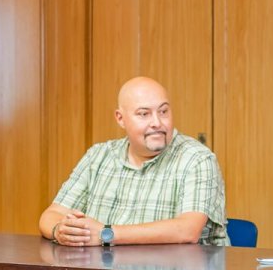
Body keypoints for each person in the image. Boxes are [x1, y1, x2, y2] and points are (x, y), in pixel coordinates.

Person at [38, 76, 228, 247]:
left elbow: (187, 230)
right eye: (144, 114)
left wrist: (106, 234)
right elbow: (50, 215)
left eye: (163, 111)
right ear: (120, 118)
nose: (157, 123)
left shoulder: (197, 159)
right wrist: (61, 231)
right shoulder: (98, 156)